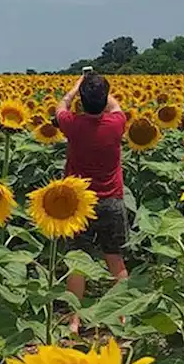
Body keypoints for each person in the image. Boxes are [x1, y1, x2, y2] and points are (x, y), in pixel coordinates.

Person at [54, 70, 129, 309]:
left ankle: (74, 320)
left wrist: (76, 88)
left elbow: (60, 108)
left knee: (77, 262)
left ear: (82, 101)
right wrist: (99, 89)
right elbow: (115, 106)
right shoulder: (117, 124)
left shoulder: (73, 125)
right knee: (115, 259)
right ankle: (122, 315)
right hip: (111, 201)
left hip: (79, 204)